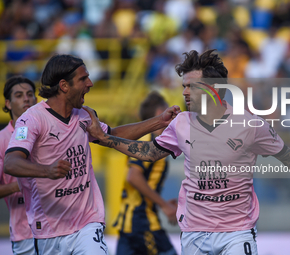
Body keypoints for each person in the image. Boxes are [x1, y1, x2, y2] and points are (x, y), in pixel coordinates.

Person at [83, 49, 290, 255]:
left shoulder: (249, 124)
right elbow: (149, 152)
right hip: (194, 232)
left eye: (192, 86)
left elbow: (288, 157)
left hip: (237, 232)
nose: (184, 92)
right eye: (183, 85)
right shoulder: (181, 123)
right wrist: (106, 139)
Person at [3, 54, 180, 255]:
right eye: (83, 79)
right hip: (49, 230)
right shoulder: (33, 119)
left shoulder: (85, 115)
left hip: (87, 223)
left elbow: (112, 135)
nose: (90, 83)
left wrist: (159, 121)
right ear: (64, 85)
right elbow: (11, 162)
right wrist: (47, 170)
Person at [113, 91, 177, 255]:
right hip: (142, 221)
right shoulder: (148, 143)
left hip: (129, 223)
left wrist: (163, 202)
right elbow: (133, 176)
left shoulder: (155, 142)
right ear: (159, 114)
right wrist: (164, 205)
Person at [0, 76, 37, 255]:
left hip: (60, 228)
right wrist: (20, 184)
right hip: (25, 235)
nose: (26, 99)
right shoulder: (1, 140)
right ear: (8, 103)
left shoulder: (47, 130)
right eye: (19, 95)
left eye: (30, 94)